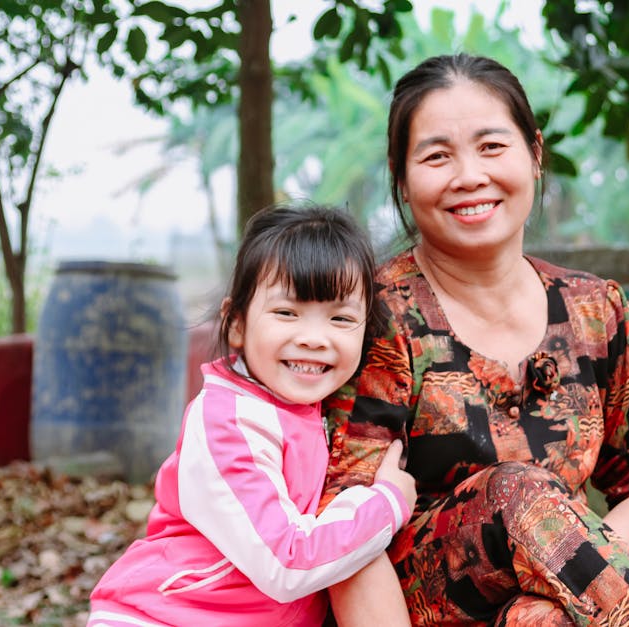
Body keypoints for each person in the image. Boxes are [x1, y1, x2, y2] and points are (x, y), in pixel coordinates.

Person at [322, 54, 629, 626]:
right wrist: (553, 548)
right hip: (404, 608)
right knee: (515, 492)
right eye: (437, 155)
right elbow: (339, 523)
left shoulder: (595, 310)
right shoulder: (368, 318)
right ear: (401, 178)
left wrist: (557, 567)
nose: (469, 175)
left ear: (536, 155)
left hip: (541, 612)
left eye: (492, 146)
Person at [87, 203, 417, 627]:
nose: (314, 338)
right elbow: (286, 561)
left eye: (340, 318)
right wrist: (386, 501)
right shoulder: (229, 422)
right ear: (236, 324)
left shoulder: (308, 411)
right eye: (286, 313)